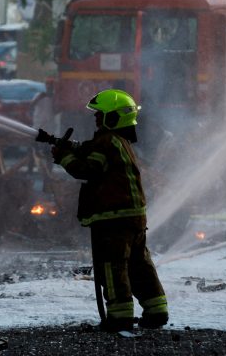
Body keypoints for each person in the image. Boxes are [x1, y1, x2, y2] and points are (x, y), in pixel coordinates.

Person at [50, 89, 169, 332]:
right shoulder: (119, 142)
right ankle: (157, 311)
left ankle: (119, 317)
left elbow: (87, 170)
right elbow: (92, 153)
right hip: (133, 217)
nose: (95, 119)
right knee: (139, 265)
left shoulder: (106, 142)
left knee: (113, 267)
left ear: (113, 118)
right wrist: (73, 147)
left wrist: (64, 157)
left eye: (99, 115)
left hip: (113, 219)